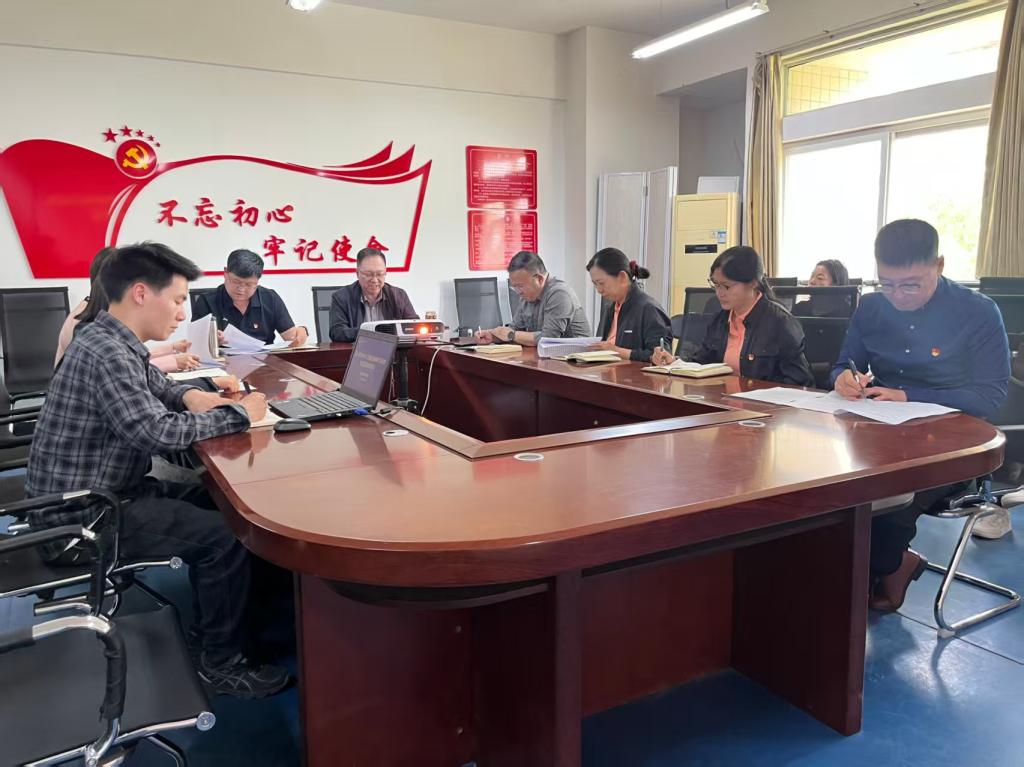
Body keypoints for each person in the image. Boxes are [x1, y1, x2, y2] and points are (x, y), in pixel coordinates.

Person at [26, 242, 290, 698]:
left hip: (104, 495)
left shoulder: (110, 338)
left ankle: (237, 616)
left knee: (226, 503)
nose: (182, 312)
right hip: (83, 520)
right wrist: (239, 414)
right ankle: (220, 664)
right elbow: (155, 432)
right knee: (224, 538)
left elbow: (161, 387)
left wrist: (195, 395)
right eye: (178, 299)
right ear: (141, 293)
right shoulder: (107, 353)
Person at [831, 219, 1011, 609]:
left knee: (887, 501)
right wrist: (843, 378)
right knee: (831, 491)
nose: (898, 295)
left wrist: (908, 396)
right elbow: (844, 362)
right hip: (881, 433)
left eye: (911, 285)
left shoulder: (977, 311)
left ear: (939, 265)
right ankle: (871, 569)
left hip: (953, 444)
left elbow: (991, 396)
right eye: (887, 283)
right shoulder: (871, 307)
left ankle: (888, 565)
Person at [651, 246, 814, 386]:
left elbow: (799, 382)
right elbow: (702, 364)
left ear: (753, 283)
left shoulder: (780, 323)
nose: (719, 293)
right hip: (722, 401)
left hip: (764, 408)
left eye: (726, 286)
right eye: (715, 284)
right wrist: (674, 362)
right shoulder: (720, 320)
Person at [55, 247, 200, 372]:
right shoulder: (88, 327)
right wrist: (173, 361)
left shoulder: (89, 311)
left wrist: (171, 348)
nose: (182, 315)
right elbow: (119, 365)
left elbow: (131, 358)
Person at [193, 249, 308, 347]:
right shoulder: (206, 301)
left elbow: (291, 337)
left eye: (249, 284)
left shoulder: (270, 298)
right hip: (225, 362)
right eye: (236, 281)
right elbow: (196, 345)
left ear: (257, 281)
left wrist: (301, 333)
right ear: (225, 273)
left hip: (265, 362)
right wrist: (212, 342)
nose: (241, 289)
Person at [475, 251, 590, 345]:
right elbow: (515, 329)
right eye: (514, 287)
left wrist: (511, 335)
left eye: (520, 286)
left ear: (539, 279)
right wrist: (492, 336)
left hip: (575, 360)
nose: (518, 292)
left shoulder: (560, 294)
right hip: (544, 359)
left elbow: (549, 339)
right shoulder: (527, 296)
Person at [586, 247, 671, 363]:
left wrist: (615, 351)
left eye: (601, 283)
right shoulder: (611, 308)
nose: (599, 290)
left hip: (634, 373)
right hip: (608, 370)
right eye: (595, 284)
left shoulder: (649, 309)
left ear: (622, 277)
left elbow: (661, 357)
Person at [328, 247, 418, 342]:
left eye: (379, 274)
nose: (374, 280)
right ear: (357, 273)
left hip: (394, 350)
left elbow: (414, 326)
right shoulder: (341, 297)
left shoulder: (398, 295)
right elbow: (337, 332)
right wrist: (372, 332)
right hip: (358, 350)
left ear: (385, 273)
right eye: (368, 274)